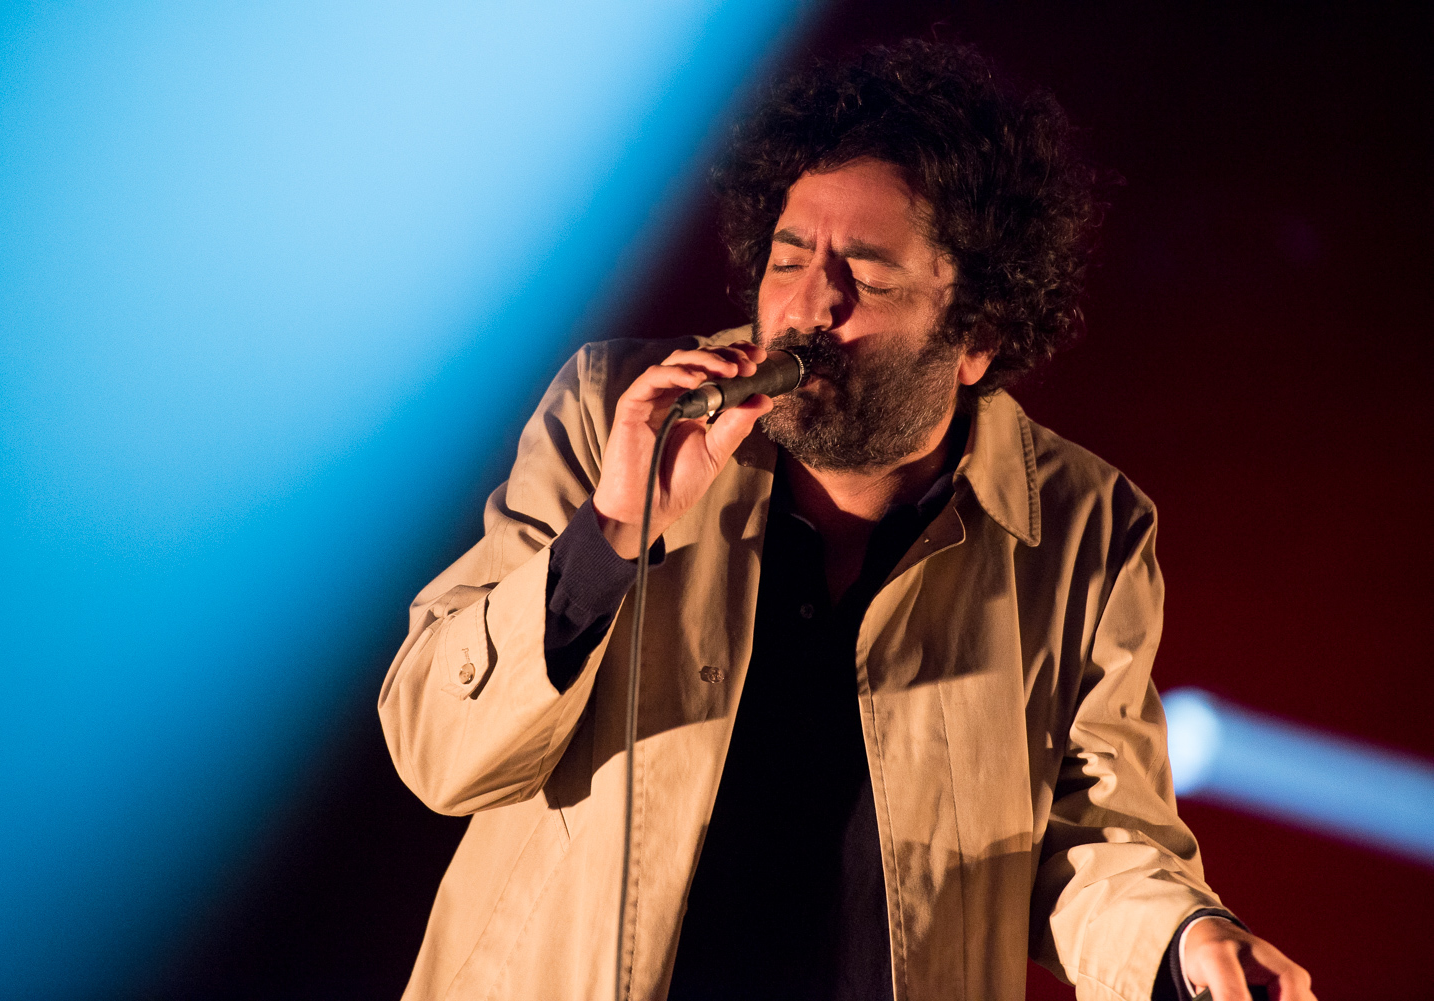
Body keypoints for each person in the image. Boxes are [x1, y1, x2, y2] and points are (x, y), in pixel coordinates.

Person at [378, 38, 1314, 1001]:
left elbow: (1098, 835)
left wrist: (1185, 938)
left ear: (977, 338)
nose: (805, 307)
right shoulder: (611, 413)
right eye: (789, 259)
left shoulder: (1086, 529)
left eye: (864, 276)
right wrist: (612, 528)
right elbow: (437, 755)